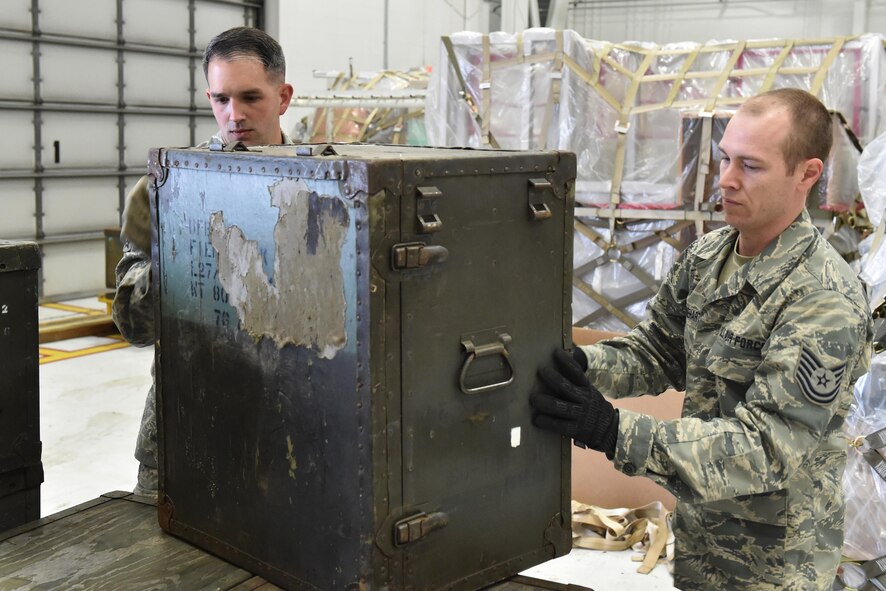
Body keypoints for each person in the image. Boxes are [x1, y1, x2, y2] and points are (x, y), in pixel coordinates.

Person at [530, 87, 873, 590]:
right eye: (724, 159)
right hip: (699, 545)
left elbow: (767, 449)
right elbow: (658, 352)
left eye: (751, 166)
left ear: (808, 174)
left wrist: (613, 430)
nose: (726, 180)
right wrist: (581, 364)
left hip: (773, 567)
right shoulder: (710, 256)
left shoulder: (823, 299)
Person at [113, 26, 295, 499]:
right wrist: (186, 253)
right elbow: (134, 327)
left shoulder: (328, 189)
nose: (234, 115)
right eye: (221, 99)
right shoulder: (166, 188)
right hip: (183, 431)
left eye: (251, 97)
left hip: (290, 436)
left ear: (284, 96)